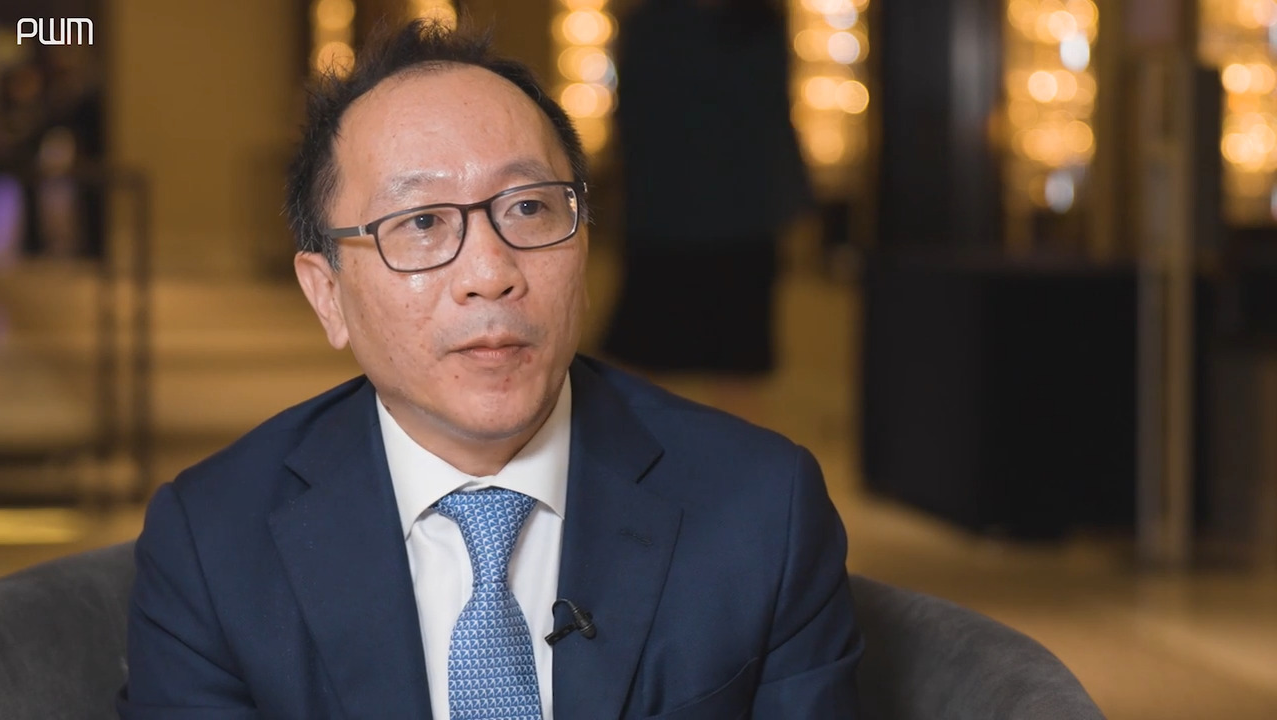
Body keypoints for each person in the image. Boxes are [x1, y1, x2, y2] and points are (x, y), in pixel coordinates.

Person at [119, 20, 861, 720]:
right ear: (327, 295)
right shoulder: (212, 544)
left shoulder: (764, 510)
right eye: (421, 222)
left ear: (584, 246)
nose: (490, 273)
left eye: (530, 208)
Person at [603, 0, 811, 421]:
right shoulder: (756, 24)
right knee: (730, 368)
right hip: (714, 217)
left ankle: (646, 458)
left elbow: (629, 123)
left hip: (680, 215)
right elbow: (776, 119)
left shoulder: (654, 24)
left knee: (657, 366)